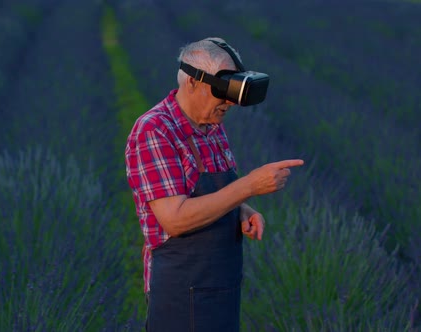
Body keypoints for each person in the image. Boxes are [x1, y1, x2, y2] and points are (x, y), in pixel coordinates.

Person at [125, 37, 304, 332]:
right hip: (180, 294)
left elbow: (209, 191)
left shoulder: (211, 127)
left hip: (221, 289)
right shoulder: (155, 130)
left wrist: (242, 209)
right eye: (222, 90)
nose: (230, 101)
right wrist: (248, 186)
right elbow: (175, 219)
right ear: (192, 82)